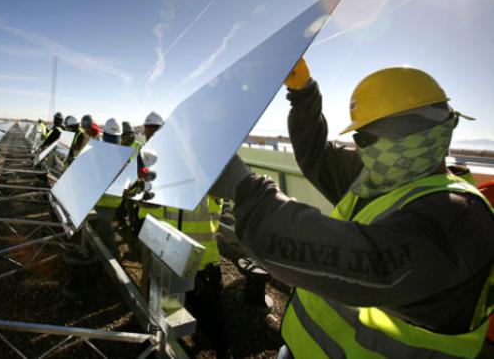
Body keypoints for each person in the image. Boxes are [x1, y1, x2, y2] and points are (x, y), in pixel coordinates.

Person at [213, 59, 494, 358]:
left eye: (366, 138)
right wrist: (303, 92)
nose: (360, 149)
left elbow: (359, 261)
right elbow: (317, 153)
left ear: (412, 134)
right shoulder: (375, 175)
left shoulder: (459, 221)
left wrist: (245, 190)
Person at [134, 111, 229, 357]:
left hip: (198, 261)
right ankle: (165, 344)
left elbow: (222, 198)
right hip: (175, 257)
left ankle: (218, 350)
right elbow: (151, 206)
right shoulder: (169, 172)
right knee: (173, 310)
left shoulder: (208, 172)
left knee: (209, 318)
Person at [92, 117, 123, 256]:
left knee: (104, 230)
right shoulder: (123, 155)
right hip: (109, 201)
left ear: (104, 135)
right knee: (101, 228)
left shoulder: (97, 152)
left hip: (103, 201)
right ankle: (102, 254)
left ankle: (112, 255)